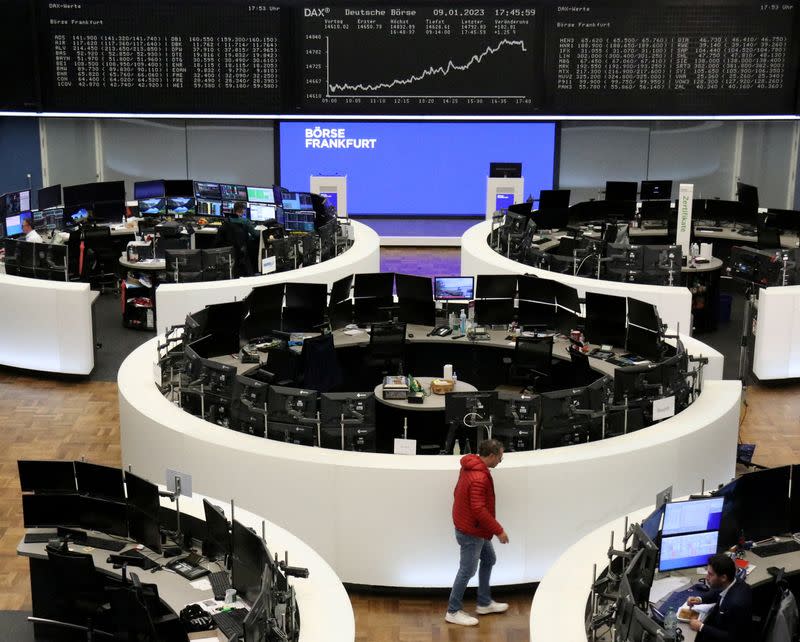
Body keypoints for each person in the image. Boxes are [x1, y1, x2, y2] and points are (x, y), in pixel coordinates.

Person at [445, 438, 509, 627]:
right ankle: (453, 611)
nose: (500, 460)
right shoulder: (479, 477)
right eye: (500, 457)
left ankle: (483, 603)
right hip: (471, 531)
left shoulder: (470, 466)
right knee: (467, 570)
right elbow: (479, 509)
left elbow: (457, 492)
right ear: (491, 456)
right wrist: (499, 531)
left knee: (489, 559)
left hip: (472, 528)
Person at [687, 553, 752, 642]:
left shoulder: (736, 604)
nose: (706, 577)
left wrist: (701, 627)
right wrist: (699, 599)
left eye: (710, 574)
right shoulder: (734, 580)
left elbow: (732, 637)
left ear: (723, 577)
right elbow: (718, 591)